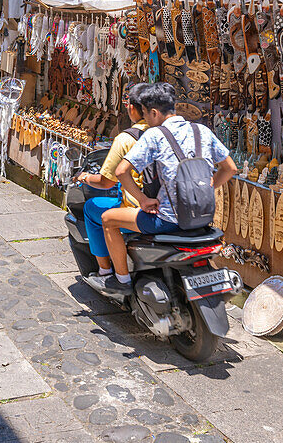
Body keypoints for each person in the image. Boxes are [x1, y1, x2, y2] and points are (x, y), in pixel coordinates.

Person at [88, 82, 237, 296]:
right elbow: (230, 168)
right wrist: (207, 187)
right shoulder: (202, 131)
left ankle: (121, 280)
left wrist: (142, 200)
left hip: (168, 220)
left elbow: (121, 172)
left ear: (155, 112)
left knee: (108, 219)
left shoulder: (155, 135)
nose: (146, 121)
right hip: (203, 217)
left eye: (147, 115)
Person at [75, 83, 151, 278]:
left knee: (92, 209)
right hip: (167, 206)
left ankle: (108, 271)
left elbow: (105, 182)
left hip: (140, 209)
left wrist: (84, 177)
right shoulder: (166, 134)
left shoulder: (127, 139)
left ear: (132, 108)